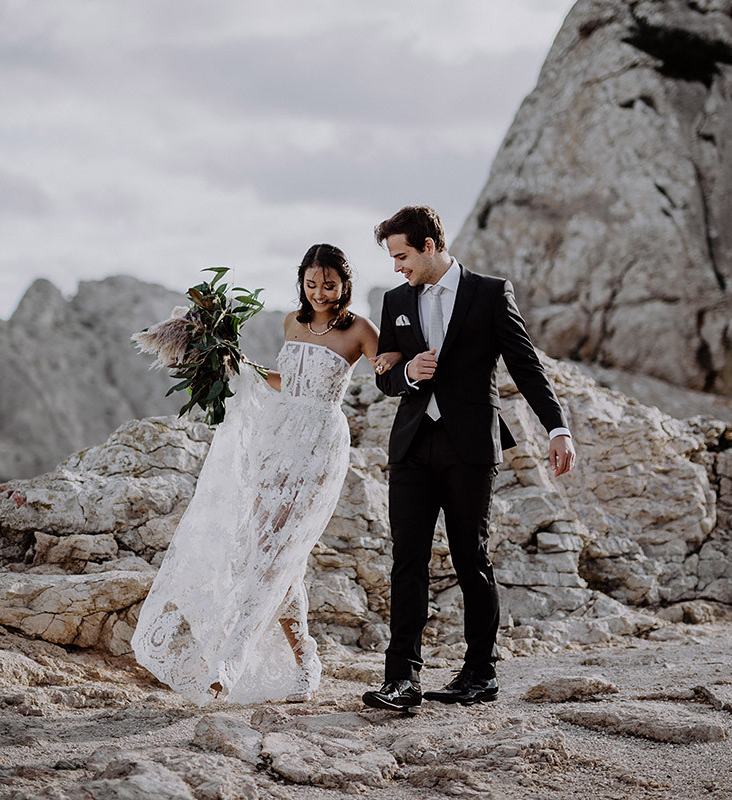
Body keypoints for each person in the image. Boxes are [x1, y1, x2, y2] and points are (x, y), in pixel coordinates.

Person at [133, 243, 381, 704]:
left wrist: (398, 364)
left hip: (321, 444)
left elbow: (386, 371)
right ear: (302, 283)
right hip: (278, 439)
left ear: (345, 284)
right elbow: (289, 381)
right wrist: (242, 367)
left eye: (329, 285)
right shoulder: (292, 323)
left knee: (283, 549)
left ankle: (231, 661)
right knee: (267, 552)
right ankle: (305, 657)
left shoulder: (360, 329)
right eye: (311, 284)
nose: (320, 292)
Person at [361, 205, 576, 714]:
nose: (397, 267)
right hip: (412, 445)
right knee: (406, 562)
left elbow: (525, 365)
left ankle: (480, 674)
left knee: (471, 560)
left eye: (403, 256)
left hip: (470, 447)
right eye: (393, 258)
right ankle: (402, 682)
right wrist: (408, 372)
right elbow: (385, 375)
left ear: (430, 246)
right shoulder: (396, 301)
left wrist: (558, 428)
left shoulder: (489, 292)